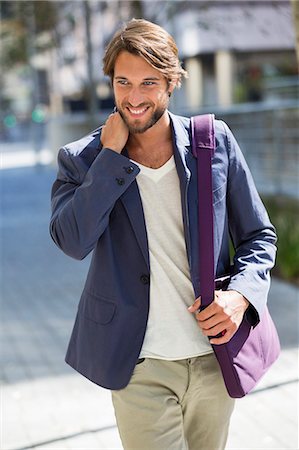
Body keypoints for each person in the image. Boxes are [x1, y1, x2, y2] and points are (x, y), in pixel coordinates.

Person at [50, 18, 277, 450]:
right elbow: (72, 241)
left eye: (148, 83)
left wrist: (241, 295)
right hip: (139, 363)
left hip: (214, 355)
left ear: (171, 83)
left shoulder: (214, 143)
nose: (133, 98)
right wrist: (110, 159)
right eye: (123, 82)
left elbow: (259, 236)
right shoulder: (83, 159)